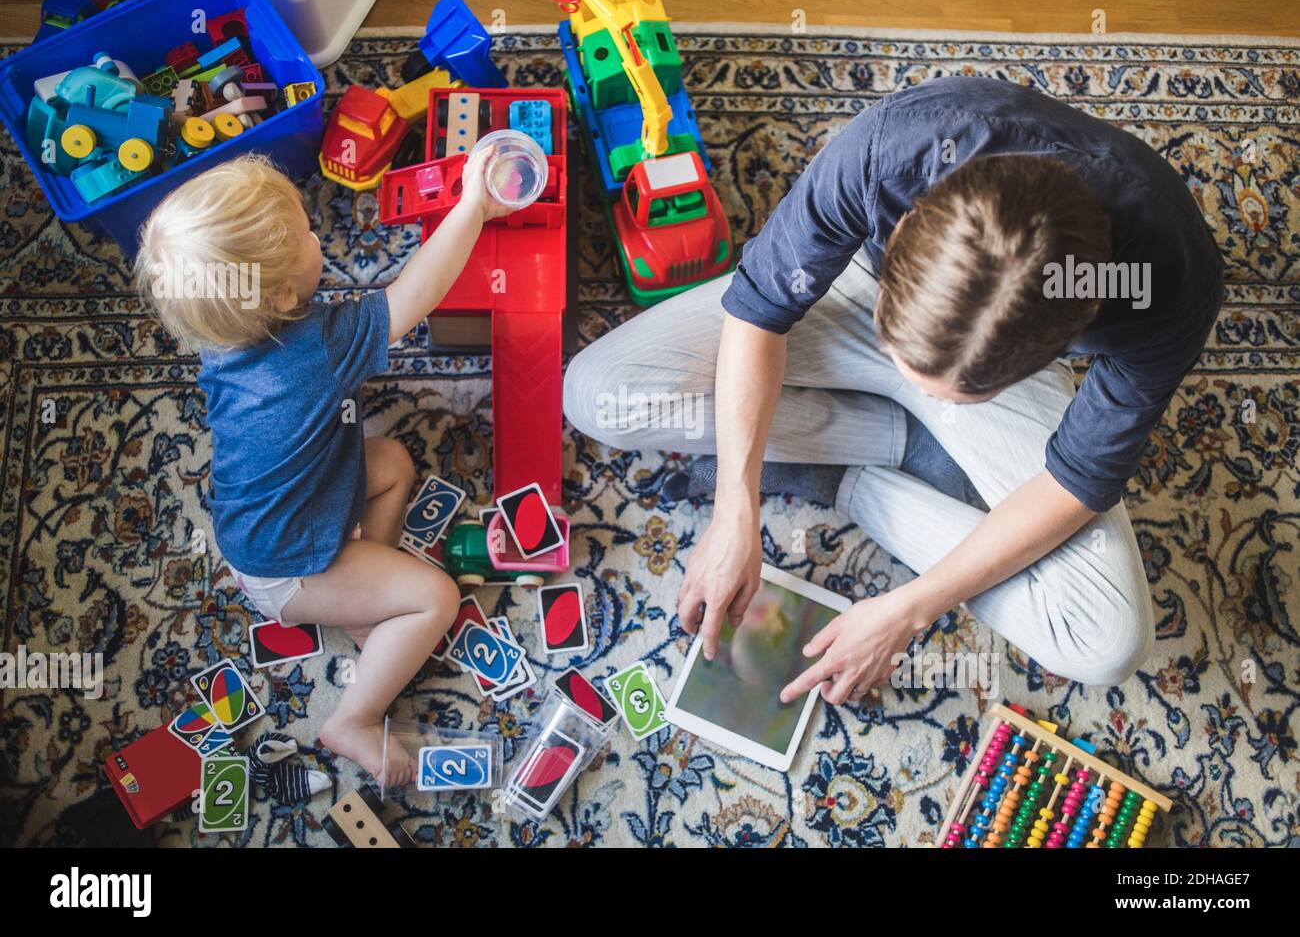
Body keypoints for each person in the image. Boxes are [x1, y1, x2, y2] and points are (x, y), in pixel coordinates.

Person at [562, 77, 1223, 704]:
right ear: (904, 229)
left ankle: (855, 473)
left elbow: (1077, 480)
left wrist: (911, 608)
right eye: (908, 364)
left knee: (1104, 640)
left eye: (949, 393)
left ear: (1054, 355)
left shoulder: (1167, 284)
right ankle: (900, 432)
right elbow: (760, 310)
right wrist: (736, 503)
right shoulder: (891, 150)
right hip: (859, 289)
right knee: (597, 395)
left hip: (997, 342)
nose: (912, 379)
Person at [134, 148, 513, 780]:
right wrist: (473, 204)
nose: (320, 235)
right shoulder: (321, 345)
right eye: (310, 235)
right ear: (284, 293)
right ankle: (353, 720)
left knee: (391, 461)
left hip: (264, 525)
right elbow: (416, 293)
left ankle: (367, 607)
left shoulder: (221, 333)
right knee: (436, 598)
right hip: (286, 570)